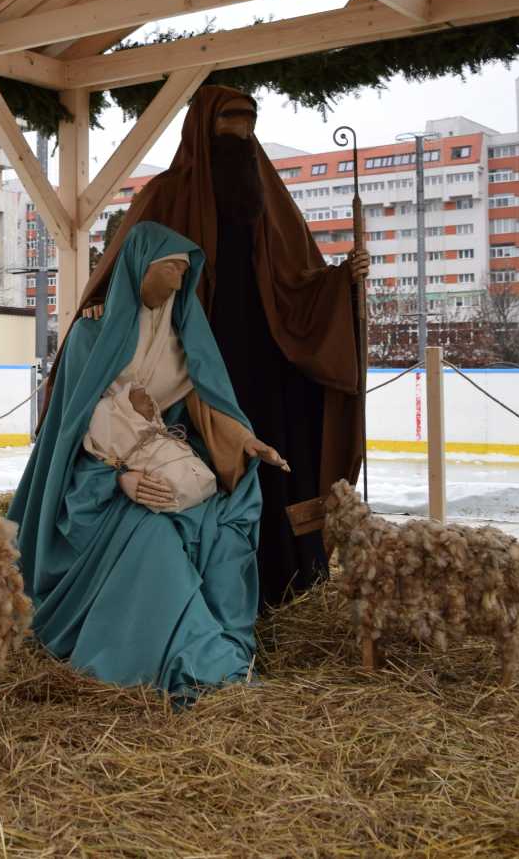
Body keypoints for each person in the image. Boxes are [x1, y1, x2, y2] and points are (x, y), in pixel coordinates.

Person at [71, 86, 368, 609]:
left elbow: (300, 279)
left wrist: (341, 283)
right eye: (228, 122)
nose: (240, 133)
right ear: (202, 127)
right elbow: (131, 264)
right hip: (189, 358)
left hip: (267, 354)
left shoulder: (268, 194)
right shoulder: (166, 194)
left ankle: (283, 587)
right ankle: (205, 597)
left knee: (271, 459)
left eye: (249, 121)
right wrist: (99, 304)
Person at [8, 222, 288, 696]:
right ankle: (198, 662)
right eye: (171, 268)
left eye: (184, 271)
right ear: (140, 266)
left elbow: (208, 404)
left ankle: (224, 644)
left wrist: (246, 442)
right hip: (96, 487)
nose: (180, 281)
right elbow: (71, 434)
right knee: (152, 537)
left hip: (171, 471)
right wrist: (122, 482)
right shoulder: (90, 339)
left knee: (223, 526)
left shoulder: (182, 345)